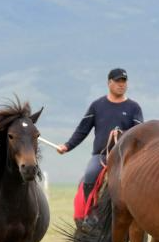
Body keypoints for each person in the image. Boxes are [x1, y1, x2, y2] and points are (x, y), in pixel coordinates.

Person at [58, 68, 143, 200]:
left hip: (126, 157)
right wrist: (67, 146)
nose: (121, 84)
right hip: (101, 156)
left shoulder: (134, 107)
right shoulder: (97, 106)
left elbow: (140, 133)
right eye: (118, 81)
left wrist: (122, 134)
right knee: (90, 175)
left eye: (124, 81)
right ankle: (90, 209)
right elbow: (82, 130)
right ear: (109, 83)